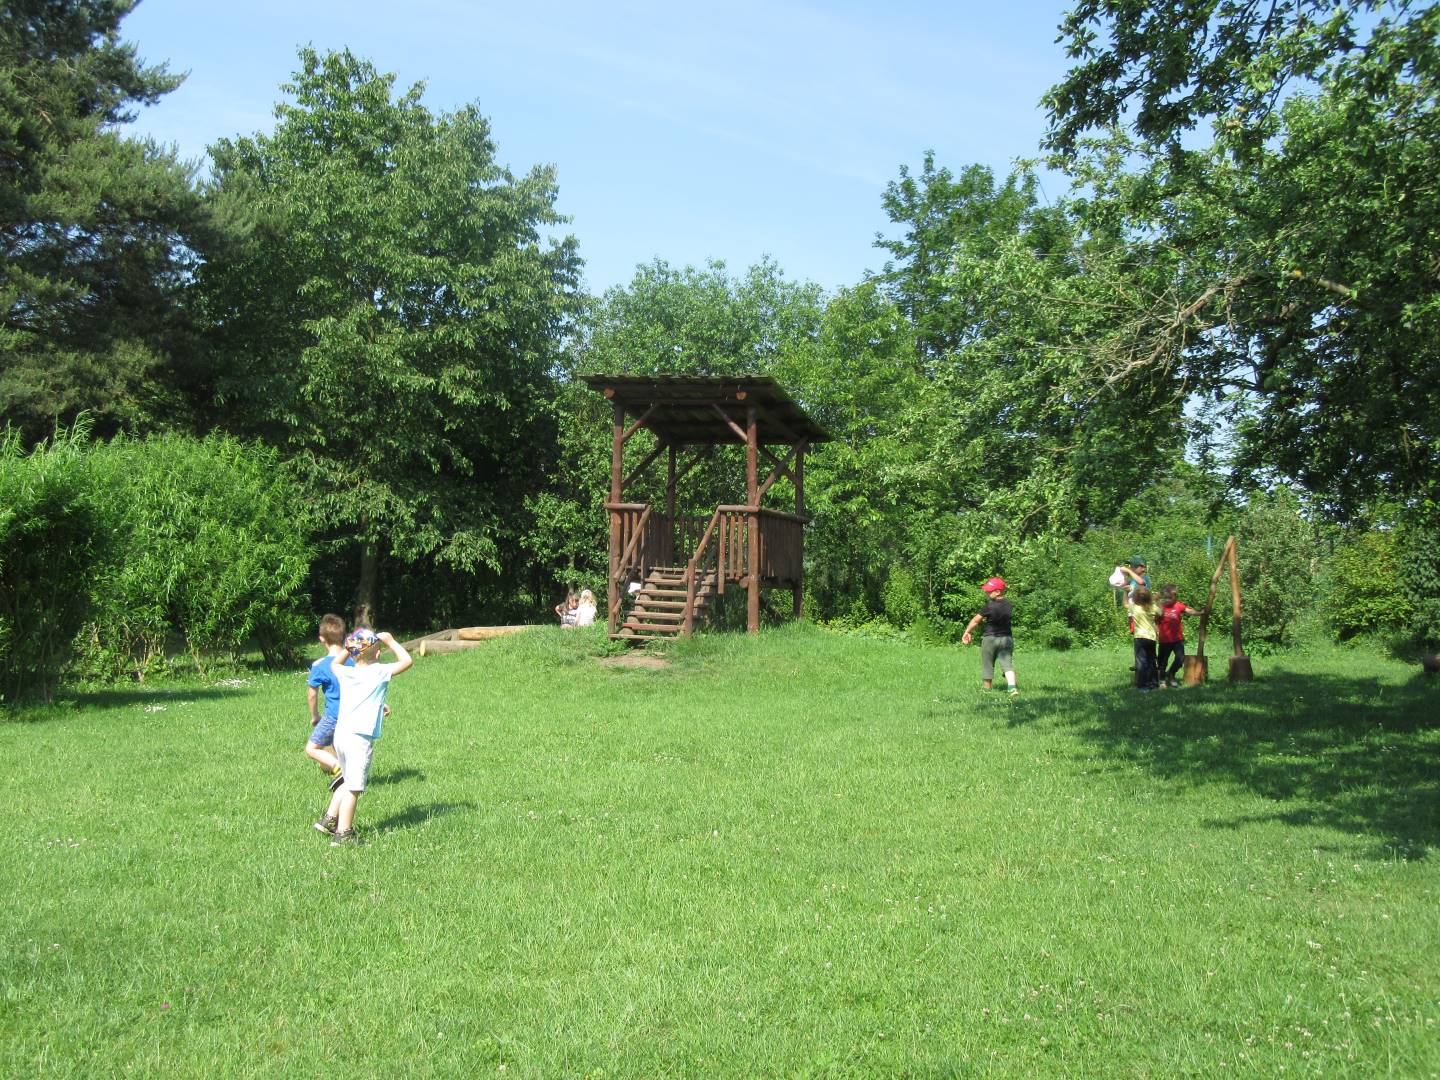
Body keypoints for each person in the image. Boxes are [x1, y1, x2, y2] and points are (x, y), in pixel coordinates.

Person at [314, 628, 413, 846]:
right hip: (358, 739)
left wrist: (349, 647)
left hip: (341, 735)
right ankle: (344, 833)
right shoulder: (379, 671)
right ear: (377, 654)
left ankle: (328, 820)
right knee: (354, 787)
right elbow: (407, 661)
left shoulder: (346, 672)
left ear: (352, 653)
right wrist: (391, 640)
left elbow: (334, 664)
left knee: (346, 779)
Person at [304, 614, 350, 790]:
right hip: (352, 714)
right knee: (339, 746)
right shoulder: (353, 662)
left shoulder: (319, 665)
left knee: (312, 748)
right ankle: (348, 775)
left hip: (333, 716)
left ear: (322, 639)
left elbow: (312, 694)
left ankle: (337, 769)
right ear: (344, 637)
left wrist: (315, 716)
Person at [961, 577, 1018, 696]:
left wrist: (967, 632)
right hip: (1007, 639)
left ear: (997, 592)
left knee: (987, 664)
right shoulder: (1009, 605)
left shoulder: (989, 606)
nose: (986, 593)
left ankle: (987, 691)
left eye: (989, 591)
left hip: (990, 639)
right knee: (1007, 664)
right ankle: (1012, 688)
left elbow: (976, 621)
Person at [1120, 570, 1161, 691]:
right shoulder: (1152, 607)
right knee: (1152, 661)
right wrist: (1156, 600)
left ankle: (1142, 686)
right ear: (1148, 597)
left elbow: (1125, 604)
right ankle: (1154, 684)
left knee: (1141, 662)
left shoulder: (1135, 607)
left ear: (1136, 598)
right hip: (1151, 638)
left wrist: (1126, 592)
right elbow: (1161, 613)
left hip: (1139, 638)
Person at [1156, 584, 1202, 687]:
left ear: (1175, 596)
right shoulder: (1160, 607)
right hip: (1164, 640)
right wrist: (1156, 632)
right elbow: (1155, 621)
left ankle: (1171, 673)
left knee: (1180, 658)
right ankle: (1162, 680)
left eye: (1171, 597)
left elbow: (1189, 611)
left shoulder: (1178, 605)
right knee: (1162, 662)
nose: (1168, 600)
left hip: (1177, 639)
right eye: (1166, 597)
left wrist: (1200, 613)